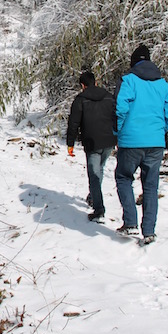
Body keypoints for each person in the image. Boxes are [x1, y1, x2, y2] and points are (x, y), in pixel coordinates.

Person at [114, 44, 168, 245]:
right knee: (150, 186)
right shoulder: (164, 85)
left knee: (124, 178)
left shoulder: (128, 81)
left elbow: (121, 109)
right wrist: (159, 131)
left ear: (133, 62)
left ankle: (130, 223)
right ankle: (149, 231)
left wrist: (119, 131)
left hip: (131, 142)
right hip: (155, 144)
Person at [66, 71, 117, 222]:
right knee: (99, 169)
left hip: (92, 142)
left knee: (94, 174)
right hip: (109, 141)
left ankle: (98, 208)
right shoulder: (109, 96)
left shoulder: (80, 100)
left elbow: (73, 123)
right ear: (96, 81)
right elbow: (116, 116)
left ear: (82, 85)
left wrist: (70, 143)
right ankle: (93, 197)